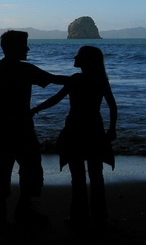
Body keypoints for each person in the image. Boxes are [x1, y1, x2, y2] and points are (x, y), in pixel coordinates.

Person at [0, 30, 69, 228]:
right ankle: (24, 208)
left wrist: (2, 113)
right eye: (24, 44)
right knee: (31, 167)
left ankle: (0, 212)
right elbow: (54, 79)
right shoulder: (25, 70)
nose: (27, 48)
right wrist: (81, 79)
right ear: (14, 47)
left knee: (1, 167)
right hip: (21, 127)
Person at [30, 45, 117, 232]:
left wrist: (35, 110)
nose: (74, 57)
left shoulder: (76, 79)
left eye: (78, 55)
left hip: (75, 129)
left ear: (85, 60)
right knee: (96, 174)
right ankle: (100, 217)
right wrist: (112, 129)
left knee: (77, 176)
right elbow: (112, 105)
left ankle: (79, 216)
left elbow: (56, 98)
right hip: (95, 128)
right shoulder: (100, 79)